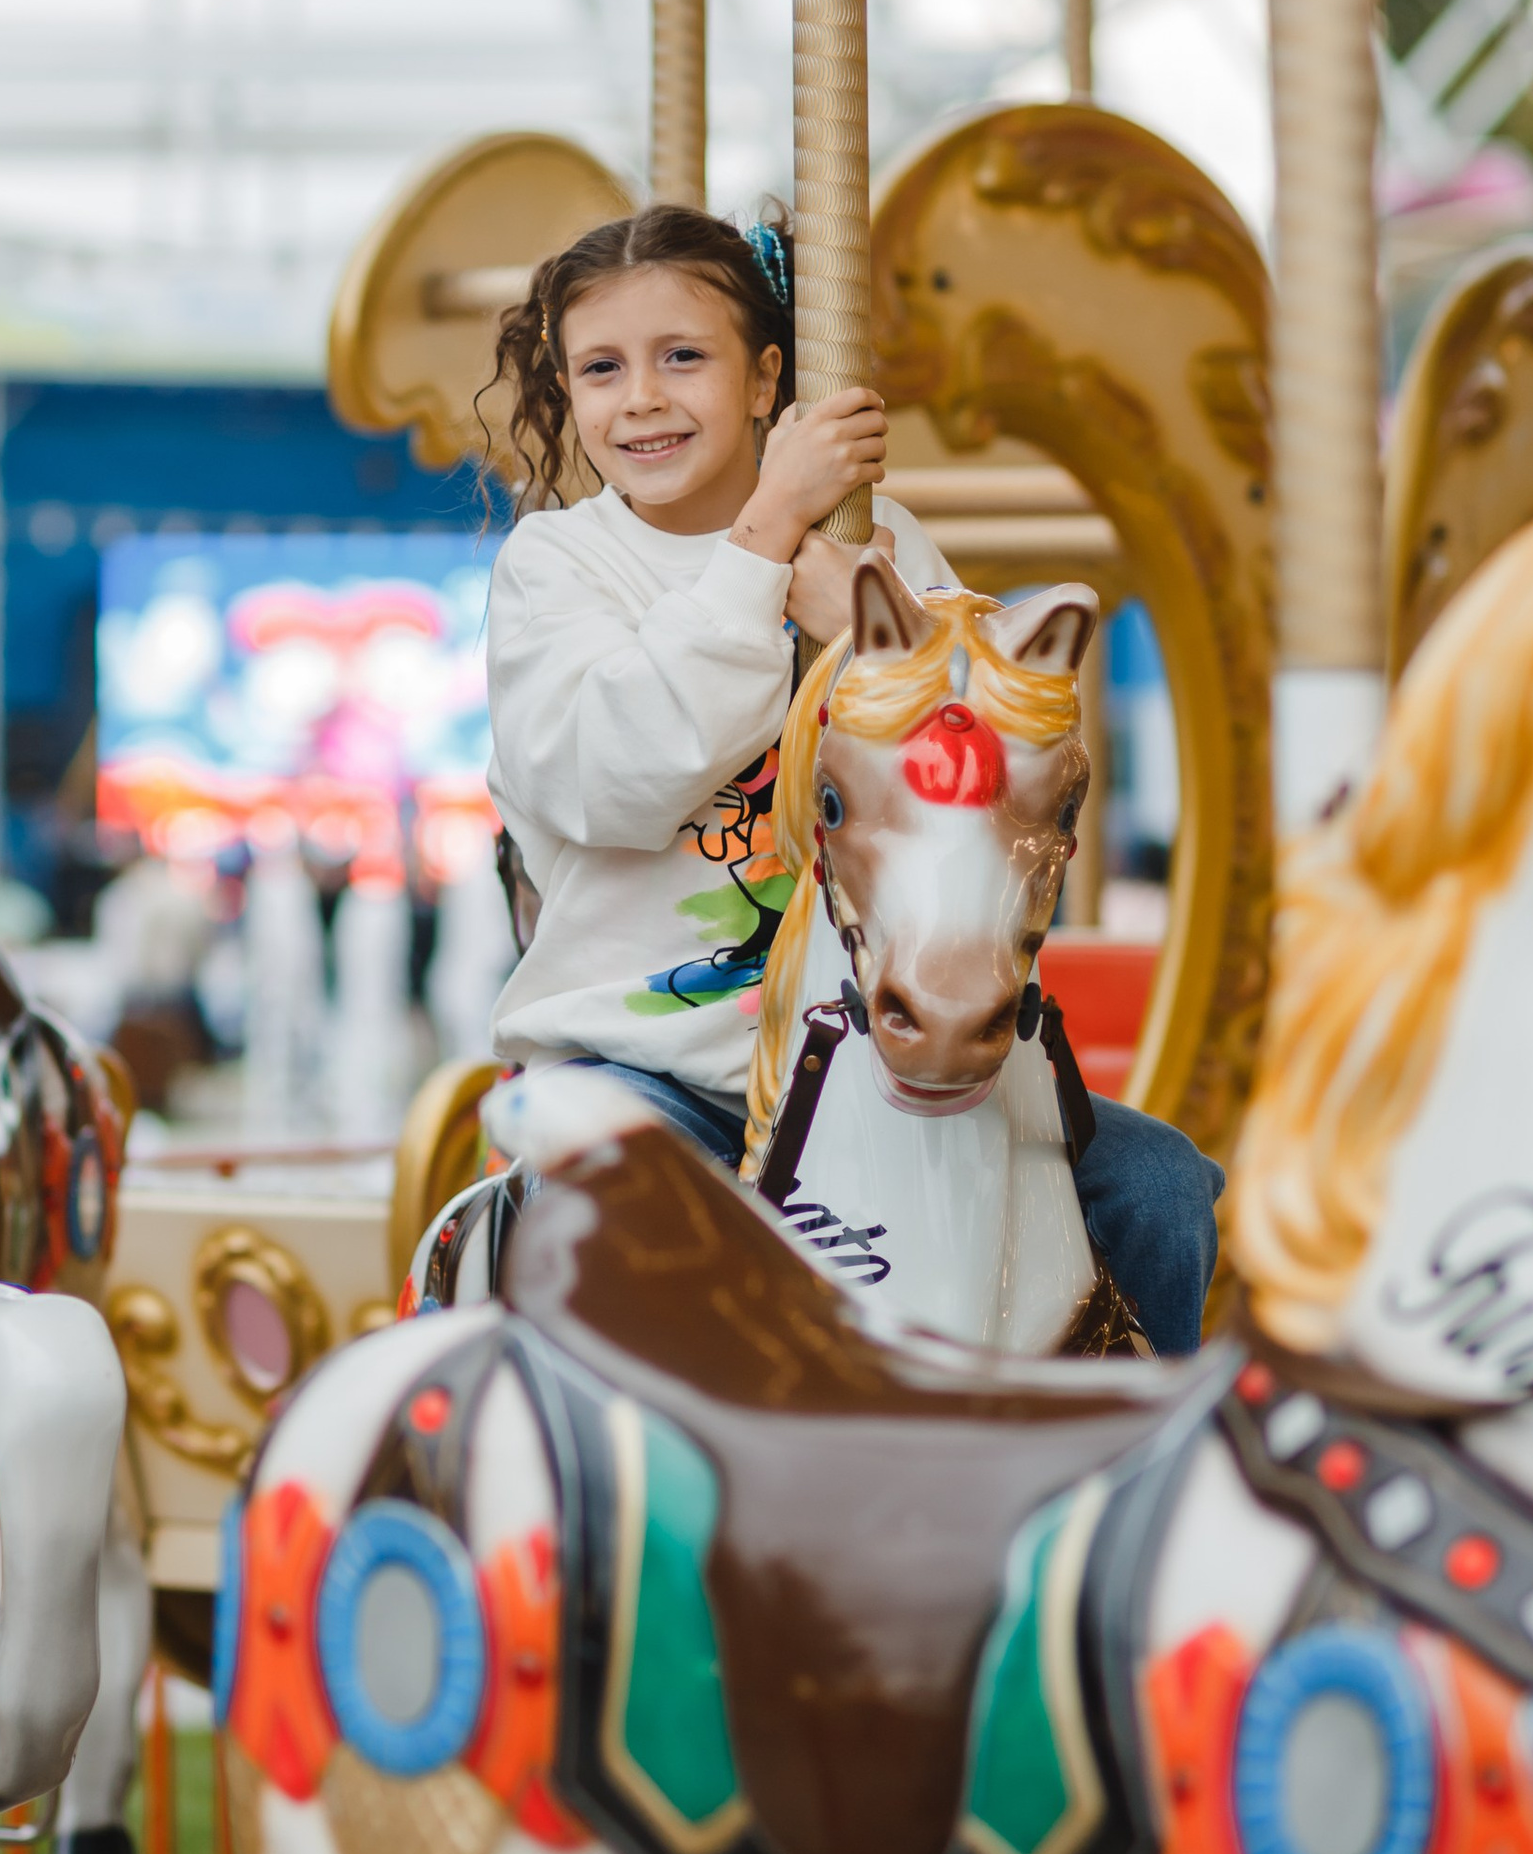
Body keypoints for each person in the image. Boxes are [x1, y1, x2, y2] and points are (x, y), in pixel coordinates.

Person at [479, 200, 1220, 1351]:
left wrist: (878, 631)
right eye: (602, 369)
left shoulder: (882, 547)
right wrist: (766, 537)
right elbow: (614, 779)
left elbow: (992, 770)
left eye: (685, 358)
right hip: (655, 1062)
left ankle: (1128, 1480)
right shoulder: (559, 567)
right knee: (608, 1234)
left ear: (767, 378)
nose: (643, 398)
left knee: (1159, 1190)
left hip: (884, 1057)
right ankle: (616, 1510)